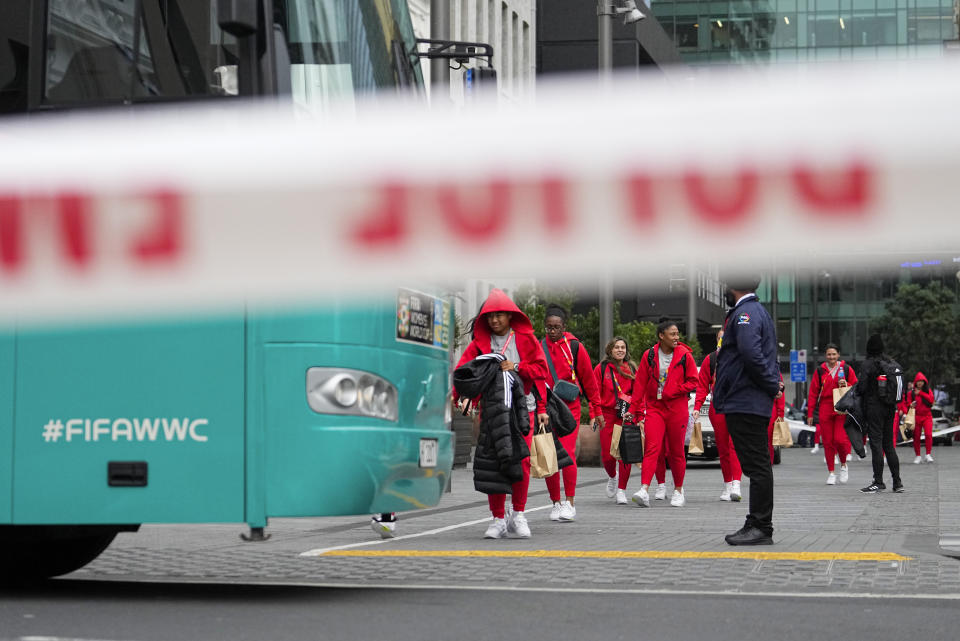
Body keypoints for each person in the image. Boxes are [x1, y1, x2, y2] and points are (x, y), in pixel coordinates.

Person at [452, 289, 549, 539]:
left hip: (522, 411)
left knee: (522, 463)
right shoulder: (478, 345)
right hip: (492, 413)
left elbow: (541, 370)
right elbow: (464, 374)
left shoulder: (526, 339)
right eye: (489, 317)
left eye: (499, 316)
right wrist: (461, 397)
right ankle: (497, 518)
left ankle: (518, 514)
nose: (494, 321)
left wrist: (517, 366)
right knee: (493, 465)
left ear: (510, 316)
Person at [713, 277, 780, 545]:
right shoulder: (752, 311)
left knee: (757, 466)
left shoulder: (746, 313)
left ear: (733, 287)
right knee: (757, 465)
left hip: (745, 400)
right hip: (746, 399)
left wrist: (770, 383)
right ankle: (757, 522)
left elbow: (751, 354)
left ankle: (761, 526)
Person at [541, 305, 603, 521]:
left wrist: (596, 409)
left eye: (556, 327)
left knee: (565, 455)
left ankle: (570, 502)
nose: (552, 331)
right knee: (549, 456)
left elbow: (589, 381)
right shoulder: (539, 347)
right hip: (545, 410)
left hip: (570, 408)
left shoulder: (575, 347)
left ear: (564, 327)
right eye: (549, 327)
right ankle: (555, 503)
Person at [630, 321, 699, 508]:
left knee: (676, 451)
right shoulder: (649, 355)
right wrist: (632, 410)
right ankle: (644, 490)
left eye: (678, 334)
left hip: (677, 408)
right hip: (655, 408)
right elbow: (640, 385)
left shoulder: (685, 356)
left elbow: (694, 381)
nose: (677, 338)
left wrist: (676, 389)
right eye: (673, 334)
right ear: (661, 336)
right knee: (652, 448)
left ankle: (678, 490)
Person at [692, 330, 742, 502]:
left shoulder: (741, 357)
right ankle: (727, 483)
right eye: (721, 338)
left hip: (737, 405)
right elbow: (701, 385)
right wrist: (697, 406)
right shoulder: (711, 359)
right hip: (718, 406)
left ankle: (736, 483)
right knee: (722, 447)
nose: (724, 340)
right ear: (717, 340)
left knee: (734, 444)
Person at [594, 337, 637, 505]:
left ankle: (622, 490)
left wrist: (636, 412)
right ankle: (612, 476)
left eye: (623, 347)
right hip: (607, 415)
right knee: (607, 455)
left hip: (626, 415)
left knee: (625, 455)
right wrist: (595, 414)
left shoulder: (632, 368)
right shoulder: (601, 368)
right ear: (610, 350)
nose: (620, 350)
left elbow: (639, 391)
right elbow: (594, 393)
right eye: (617, 347)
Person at [806, 344, 858, 485]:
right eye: (829, 354)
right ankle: (831, 473)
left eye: (834, 354)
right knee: (828, 442)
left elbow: (856, 387)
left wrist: (846, 383)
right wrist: (810, 413)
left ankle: (843, 465)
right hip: (825, 407)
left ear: (838, 355)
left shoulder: (846, 369)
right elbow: (813, 393)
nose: (831, 357)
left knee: (840, 440)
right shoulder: (819, 371)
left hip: (841, 406)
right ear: (825, 356)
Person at [858, 334, 903, 493]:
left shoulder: (868, 364)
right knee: (889, 445)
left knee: (876, 445)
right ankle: (897, 483)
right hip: (890, 408)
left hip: (874, 408)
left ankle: (878, 481)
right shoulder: (890, 363)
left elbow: (861, 388)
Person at [904, 372, 935, 464]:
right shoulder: (911, 393)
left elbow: (931, 400)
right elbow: (907, 404)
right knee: (916, 437)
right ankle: (918, 456)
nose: (920, 383)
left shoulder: (928, 391)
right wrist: (911, 405)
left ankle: (928, 454)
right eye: (918, 381)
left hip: (927, 416)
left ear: (924, 382)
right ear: (915, 383)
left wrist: (920, 393)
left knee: (928, 435)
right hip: (916, 417)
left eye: (922, 381)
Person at [767, 374, 786, 464]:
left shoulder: (776, 372)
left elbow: (781, 395)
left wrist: (780, 414)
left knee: (769, 438)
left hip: (770, 408)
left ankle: (768, 463)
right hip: (754, 406)